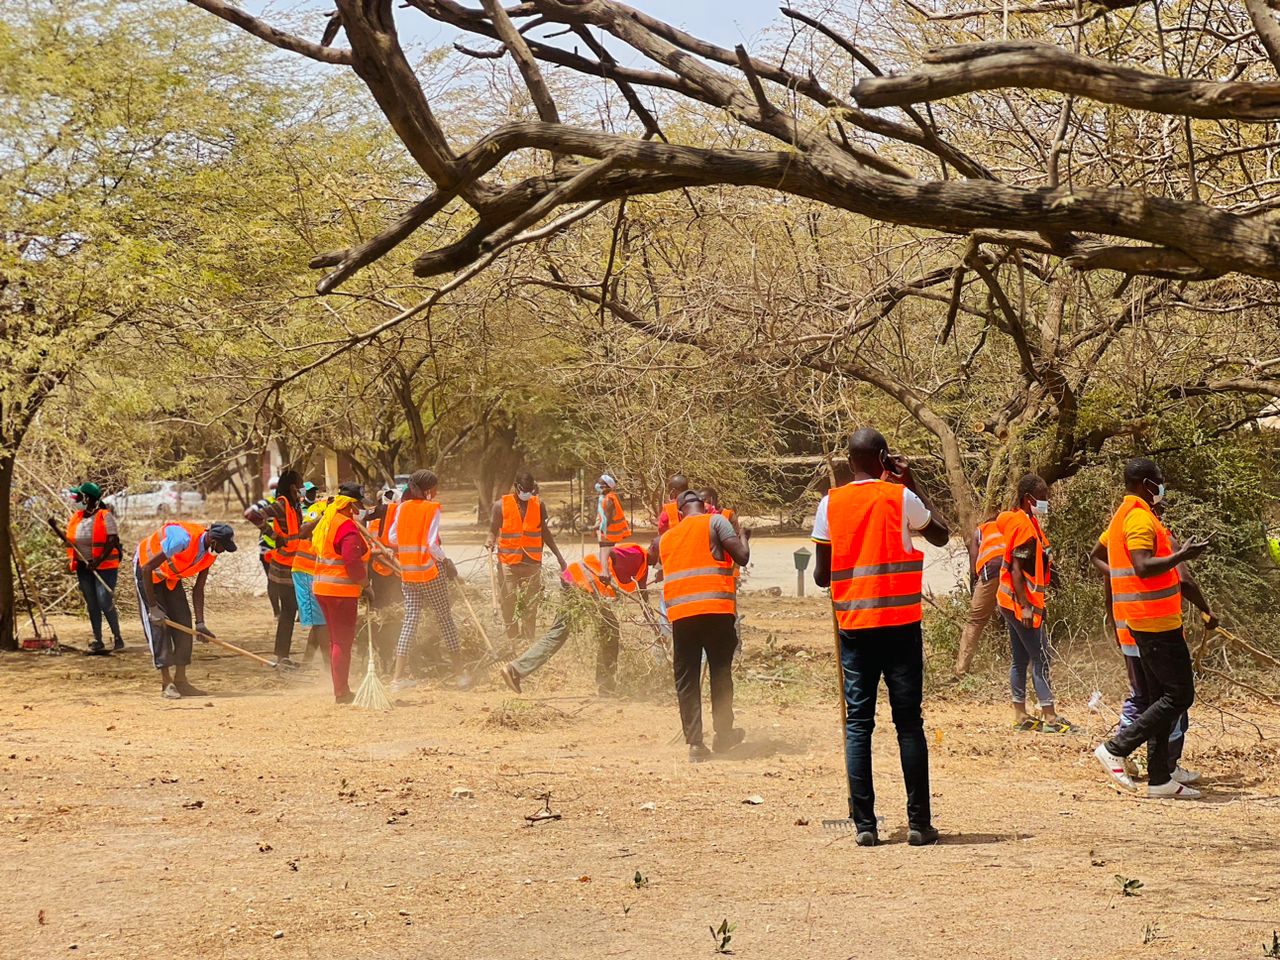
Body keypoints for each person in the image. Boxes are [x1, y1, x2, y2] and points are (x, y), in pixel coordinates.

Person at [812, 428, 949, 847]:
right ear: (885, 457)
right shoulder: (899, 498)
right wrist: (911, 482)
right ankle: (919, 824)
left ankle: (865, 826)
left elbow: (821, 576)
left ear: (849, 461)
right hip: (901, 626)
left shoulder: (829, 504)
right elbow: (941, 534)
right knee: (908, 723)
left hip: (855, 627)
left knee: (859, 724)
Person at [1093, 458, 1217, 799]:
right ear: (1146, 483)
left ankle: (1161, 778)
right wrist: (1183, 555)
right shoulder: (1137, 519)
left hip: (1148, 619)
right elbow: (1144, 567)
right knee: (1179, 695)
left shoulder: (1127, 516)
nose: (1162, 487)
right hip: (1154, 621)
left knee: (1161, 697)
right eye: (1159, 481)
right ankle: (1116, 747)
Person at [653, 489, 751, 762]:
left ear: (681, 511)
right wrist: (744, 536)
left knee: (686, 679)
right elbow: (741, 557)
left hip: (683, 616)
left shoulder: (667, 537)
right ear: (704, 506)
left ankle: (695, 744)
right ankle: (723, 734)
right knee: (720, 673)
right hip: (717, 611)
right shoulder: (715, 522)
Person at [500, 544, 649, 695]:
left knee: (560, 634)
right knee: (609, 631)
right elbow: (606, 548)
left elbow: (644, 597)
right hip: (582, 583)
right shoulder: (637, 554)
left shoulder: (643, 566)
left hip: (579, 582)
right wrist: (604, 570)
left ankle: (515, 669)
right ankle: (606, 687)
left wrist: (654, 625)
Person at [996, 474, 1073, 733]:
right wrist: (1026, 606)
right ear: (1029, 499)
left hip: (1008, 601)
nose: (1046, 502)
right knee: (1041, 658)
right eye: (1042, 499)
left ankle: (1020, 715)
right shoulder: (1024, 527)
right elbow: (1017, 570)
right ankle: (1050, 718)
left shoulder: (1025, 521)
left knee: (1020, 659)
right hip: (1020, 605)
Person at [135, 520, 236, 699]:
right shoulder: (182, 540)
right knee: (159, 625)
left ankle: (181, 680)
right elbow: (147, 568)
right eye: (222, 547)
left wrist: (200, 623)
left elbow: (198, 589)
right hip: (147, 571)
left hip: (169, 576)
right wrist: (152, 607)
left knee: (183, 621)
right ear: (213, 541)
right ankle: (167, 683)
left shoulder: (210, 554)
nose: (222, 552)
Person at [388, 469, 468, 689]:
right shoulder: (431, 508)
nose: (437, 491)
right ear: (429, 490)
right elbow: (432, 544)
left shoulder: (402, 507)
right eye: (435, 488)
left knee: (410, 621)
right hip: (430, 572)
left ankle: (397, 679)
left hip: (409, 573)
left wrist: (411, 538)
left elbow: (392, 537)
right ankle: (460, 674)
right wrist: (446, 561)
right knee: (445, 619)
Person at [486, 471, 567, 647]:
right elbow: (493, 529)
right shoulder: (500, 505)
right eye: (524, 490)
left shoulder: (538, 505)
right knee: (508, 601)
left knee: (531, 604)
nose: (527, 494)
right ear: (516, 487)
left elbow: (545, 532)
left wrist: (559, 557)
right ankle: (513, 639)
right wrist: (490, 541)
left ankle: (528, 640)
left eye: (530, 490)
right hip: (508, 562)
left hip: (532, 563)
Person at [311, 485, 370, 704]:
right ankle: (342, 693)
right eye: (357, 506)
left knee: (335, 640)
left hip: (322, 589)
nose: (359, 510)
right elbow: (352, 561)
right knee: (342, 642)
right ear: (350, 505)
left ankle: (339, 688)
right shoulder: (346, 526)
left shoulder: (328, 521)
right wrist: (365, 584)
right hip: (340, 591)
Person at [66, 482, 124, 653]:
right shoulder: (77, 517)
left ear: (87, 498)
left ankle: (118, 637)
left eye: (78, 497)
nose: (76, 500)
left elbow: (112, 540)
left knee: (104, 601)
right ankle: (98, 639)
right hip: (84, 567)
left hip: (105, 567)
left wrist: (97, 561)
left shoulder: (105, 515)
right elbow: (70, 540)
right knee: (92, 604)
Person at [954, 512, 1006, 678]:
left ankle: (961, 670)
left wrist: (974, 585)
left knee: (975, 621)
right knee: (1017, 616)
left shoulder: (980, 531)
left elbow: (973, 562)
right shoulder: (1007, 528)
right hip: (1012, 570)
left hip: (990, 570)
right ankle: (1027, 664)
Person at [264, 469, 303, 666]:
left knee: (290, 610)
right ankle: (281, 656)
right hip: (282, 567)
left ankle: (283, 655)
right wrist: (272, 535)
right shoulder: (281, 504)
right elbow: (253, 514)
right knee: (289, 610)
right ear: (292, 486)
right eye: (299, 483)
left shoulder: (295, 506)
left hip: (292, 565)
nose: (302, 487)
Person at [365, 486, 403, 666]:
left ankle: (393, 654)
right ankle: (385, 655)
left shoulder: (396, 518)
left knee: (394, 615)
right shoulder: (377, 521)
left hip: (393, 572)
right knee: (383, 615)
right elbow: (371, 548)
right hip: (383, 574)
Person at [292, 487, 329, 667]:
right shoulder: (318, 509)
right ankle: (330, 668)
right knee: (321, 622)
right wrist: (324, 515)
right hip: (306, 570)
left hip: (318, 572)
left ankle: (306, 665)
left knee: (319, 620)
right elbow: (303, 531)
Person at [594, 474, 631, 574]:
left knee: (604, 557)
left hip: (609, 533)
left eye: (600, 484)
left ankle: (605, 575)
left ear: (607, 486)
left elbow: (607, 520)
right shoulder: (605, 497)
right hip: (608, 533)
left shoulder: (609, 499)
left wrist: (595, 527)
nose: (597, 485)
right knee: (607, 555)